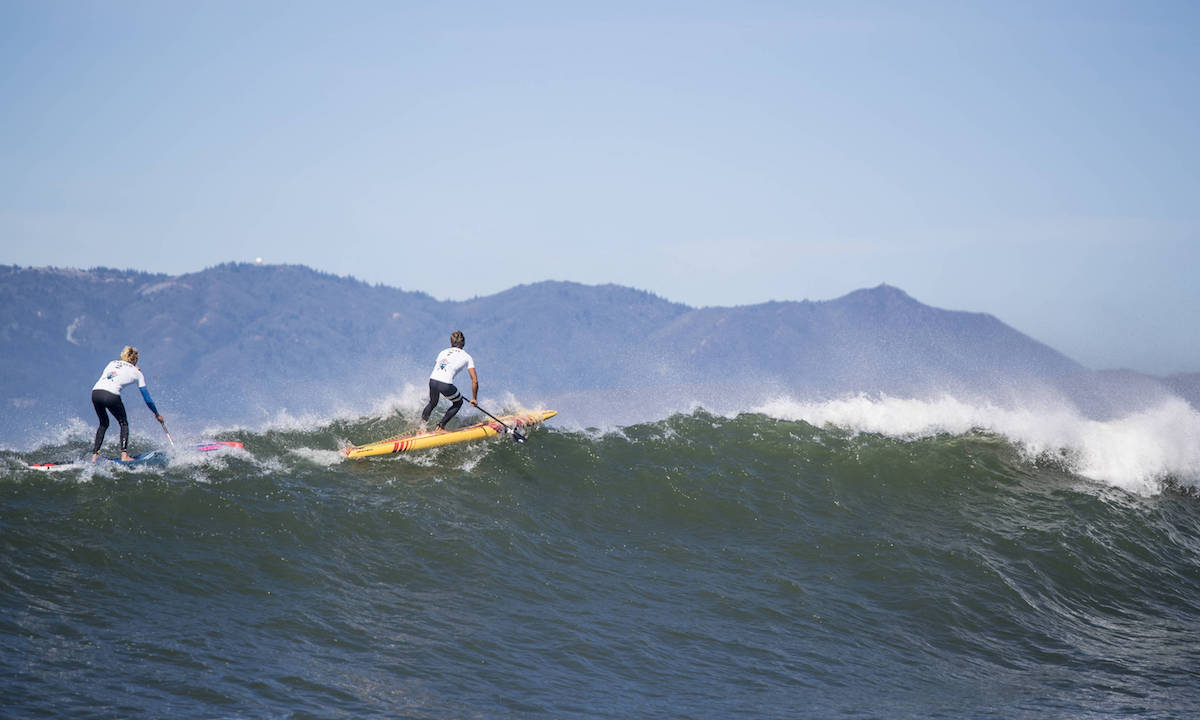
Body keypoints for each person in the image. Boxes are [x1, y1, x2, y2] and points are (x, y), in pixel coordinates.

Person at [91, 346, 163, 461]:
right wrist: (156, 414)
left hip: (96, 393)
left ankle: (95, 456)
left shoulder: (112, 363)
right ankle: (124, 455)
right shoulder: (138, 373)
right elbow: (147, 398)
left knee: (103, 423)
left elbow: (119, 370)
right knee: (123, 423)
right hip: (111, 395)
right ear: (135, 360)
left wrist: (132, 366)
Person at [421, 330, 478, 434]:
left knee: (432, 402)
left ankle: (421, 428)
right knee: (458, 402)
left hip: (433, 380)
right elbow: (474, 380)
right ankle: (440, 427)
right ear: (463, 343)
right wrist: (474, 398)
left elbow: (439, 367)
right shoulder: (467, 357)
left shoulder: (442, 352)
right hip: (445, 384)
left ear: (451, 343)